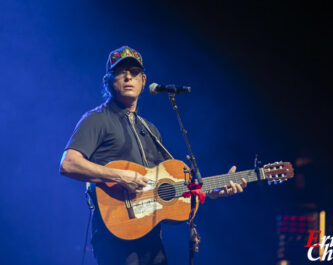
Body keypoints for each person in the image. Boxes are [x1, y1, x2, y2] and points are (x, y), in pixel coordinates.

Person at [59, 46, 247, 265]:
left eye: (134, 72)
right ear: (108, 81)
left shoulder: (150, 130)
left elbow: (173, 189)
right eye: (120, 71)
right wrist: (120, 176)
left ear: (143, 80)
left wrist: (212, 190)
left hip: (152, 241)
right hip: (115, 239)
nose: (128, 76)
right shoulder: (96, 119)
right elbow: (69, 164)